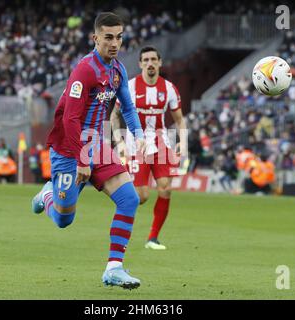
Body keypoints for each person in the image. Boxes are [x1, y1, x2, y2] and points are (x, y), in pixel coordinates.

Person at [31, 12, 145, 289]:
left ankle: (113, 268)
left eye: (119, 37)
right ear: (95, 38)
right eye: (108, 37)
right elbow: (70, 118)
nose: (114, 43)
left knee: (129, 199)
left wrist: (139, 134)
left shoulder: (118, 70)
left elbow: (127, 107)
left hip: (98, 145)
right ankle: (47, 195)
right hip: (69, 149)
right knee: (63, 219)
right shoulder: (84, 70)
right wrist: (82, 157)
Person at [110, 46, 186, 250]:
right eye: (146, 60)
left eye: (154, 59)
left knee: (166, 188)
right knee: (141, 197)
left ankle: (153, 238)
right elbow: (114, 116)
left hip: (161, 142)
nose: (150, 63)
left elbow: (179, 120)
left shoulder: (169, 88)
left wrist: (183, 141)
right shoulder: (131, 87)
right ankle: (121, 218)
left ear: (160, 62)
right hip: (137, 143)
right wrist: (120, 142)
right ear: (140, 64)